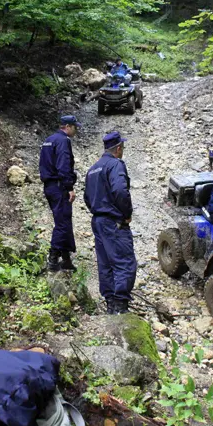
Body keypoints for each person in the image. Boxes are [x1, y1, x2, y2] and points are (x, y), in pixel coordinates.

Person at [84, 131, 137, 314]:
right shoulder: (115, 165)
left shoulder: (93, 169)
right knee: (124, 261)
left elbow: (87, 197)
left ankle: (110, 304)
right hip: (114, 222)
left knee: (105, 262)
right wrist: (126, 213)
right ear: (119, 148)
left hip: (98, 221)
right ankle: (121, 306)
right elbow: (121, 191)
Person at [39, 115, 80, 271]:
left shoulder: (48, 140)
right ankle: (53, 259)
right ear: (68, 126)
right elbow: (63, 165)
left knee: (63, 221)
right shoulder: (63, 141)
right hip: (59, 186)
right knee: (62, 224)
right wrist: (69, 187)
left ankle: (67, 260)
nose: (76, 130)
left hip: (49, 186)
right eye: (75, 127)